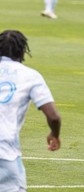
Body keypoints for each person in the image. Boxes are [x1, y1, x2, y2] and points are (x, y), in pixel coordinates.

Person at [0, 30, 61, 191]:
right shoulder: (30, 76)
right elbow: (53, 116)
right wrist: (54, 134)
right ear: (22, 51)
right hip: (5, 153)